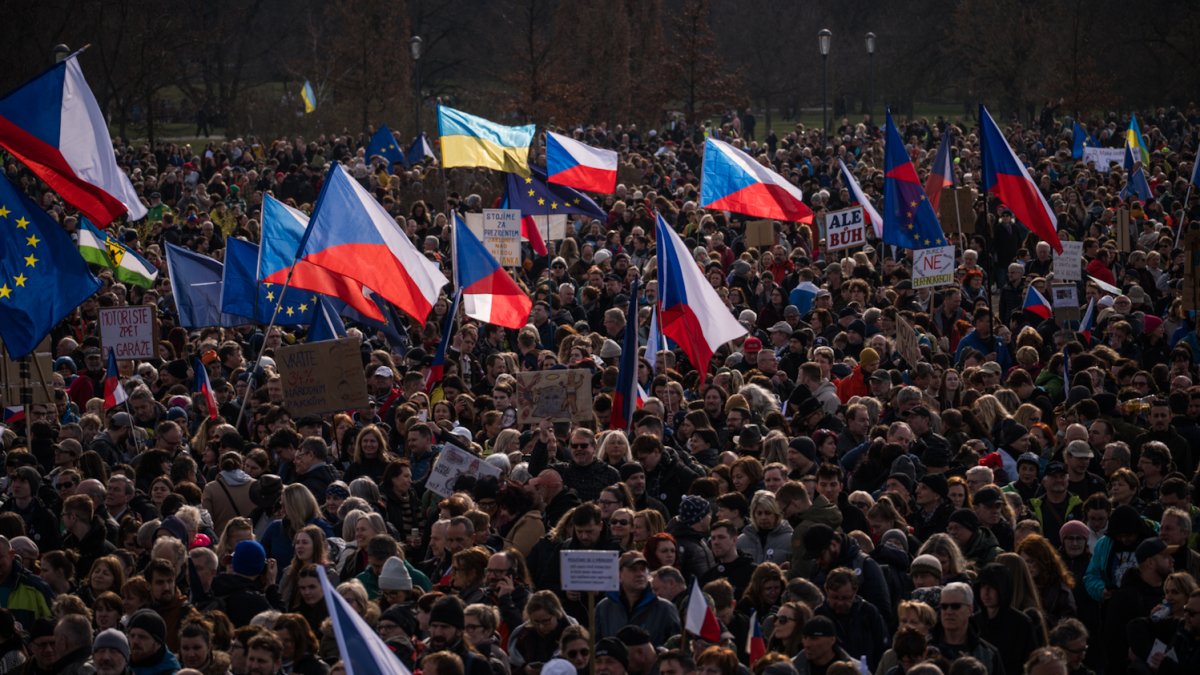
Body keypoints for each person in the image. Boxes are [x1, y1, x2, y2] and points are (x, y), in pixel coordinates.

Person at [595, 551, 681, 645]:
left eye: (643, 569)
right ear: (619, 575)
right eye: (633, 569)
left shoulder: (665, 608)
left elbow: (675, 646)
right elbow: (596, 644)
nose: (640, 574)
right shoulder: (604, 608)